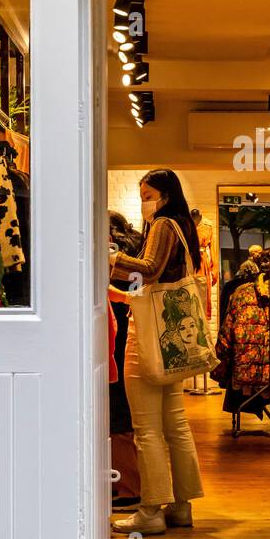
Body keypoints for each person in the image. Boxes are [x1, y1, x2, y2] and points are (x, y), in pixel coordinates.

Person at [108, 170, 206, 535]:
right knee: (175, 425)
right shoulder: (182, 225)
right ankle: (181, 505)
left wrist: (111, 257)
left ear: (164, 195)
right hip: (171, 338)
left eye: (147, 194)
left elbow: (149, 271)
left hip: (147, 336)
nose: (143, 201)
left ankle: (150, 511)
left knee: (146, 428)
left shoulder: (163, 224)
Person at [107, 211, 144, 509]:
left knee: (115, 407)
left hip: (111, 330)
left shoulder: (108, 253)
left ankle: (128, 486)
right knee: (125, 405)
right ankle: (126, 482)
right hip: (133, 329)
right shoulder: (137, 247)